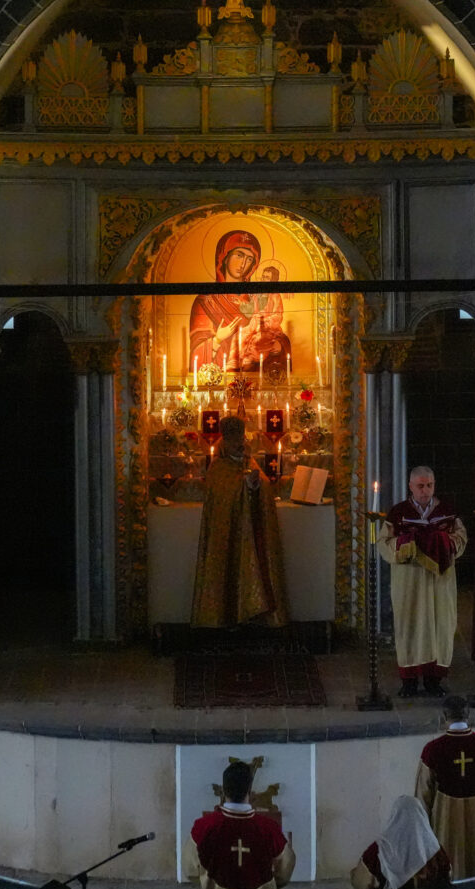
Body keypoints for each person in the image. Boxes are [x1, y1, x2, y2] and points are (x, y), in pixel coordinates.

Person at [191, 415, 290, 628]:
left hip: (250, 532)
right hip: (227, 534)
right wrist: (243, 485)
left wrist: (255, 484)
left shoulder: (249, 461)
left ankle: (254, 615)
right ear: (225, 441)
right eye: (234, 441)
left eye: (241, 439)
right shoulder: (218, 468)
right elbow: (220, 495)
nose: (239, 444)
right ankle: (224, 618)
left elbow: (263, 487)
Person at [378, 466, 468, 697]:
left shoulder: (447, 512)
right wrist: (407, 543)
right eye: (420, 486)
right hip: (410, 583)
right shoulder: (398, 513)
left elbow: (461, 538)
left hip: (440, 583)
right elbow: (384, 543)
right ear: (411, 486)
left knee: (440, 626)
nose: (425, 490)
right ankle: (409, 681)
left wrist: (442, 541)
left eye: (429, 485)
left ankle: (433, 680)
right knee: (410, 626)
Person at [416, 695, 475, 879]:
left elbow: (422, 798)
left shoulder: (432, 749)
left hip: (445, 823)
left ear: (444, 716)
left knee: (448, 874)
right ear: (468, 715)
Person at [188, 760, 296, 889]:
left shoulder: (203, 827)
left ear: (224, 790)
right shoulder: (270, 828)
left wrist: (209, 884)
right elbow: (285, 870)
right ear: (249, 791)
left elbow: (190, 870)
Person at [188, 230, 290, 373]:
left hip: (255, 371)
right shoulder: (206, 301)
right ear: (224, 257)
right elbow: (196, 353)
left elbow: (275, 327)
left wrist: (278, 345)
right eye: (239, 255)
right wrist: (217, 339)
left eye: (249, 259)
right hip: (218, 377)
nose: (243, 264)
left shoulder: (258, 295)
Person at [350, 795, 450, 889]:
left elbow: (362, 884)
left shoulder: (378, 850)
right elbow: (447, 881)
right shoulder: (436, 851)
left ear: (394, 816)